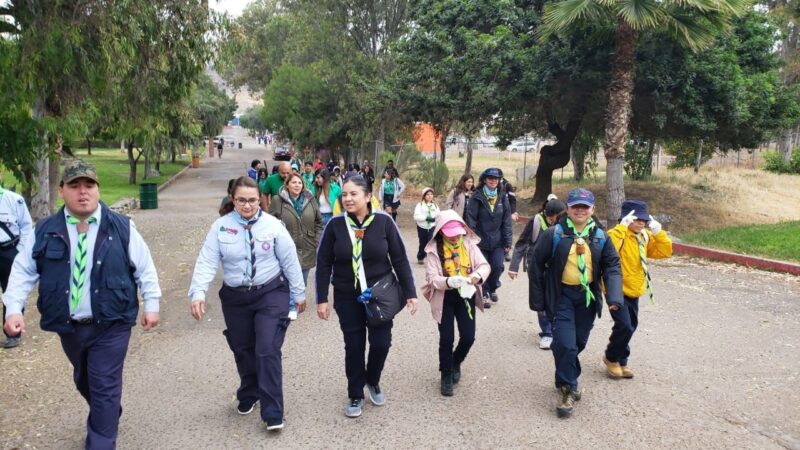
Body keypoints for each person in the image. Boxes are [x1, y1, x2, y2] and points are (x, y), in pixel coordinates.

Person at [3, 160, 162, 448]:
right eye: (74, 186)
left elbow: (145, 269)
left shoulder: (122, 227)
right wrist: (13, 309)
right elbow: (23, 270)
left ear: (98, 190)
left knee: (103, 383)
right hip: (70, 327)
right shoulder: (46, 230)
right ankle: (109, 412)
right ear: (62, 190)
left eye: (89, 185)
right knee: (85, 380)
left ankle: (101, 438)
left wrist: (152, 304)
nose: (83, 192)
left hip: (112, 323)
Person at [188, 176, 305, 432]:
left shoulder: (273, 226)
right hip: (235, 297)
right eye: (241, 200)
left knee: (266, 349)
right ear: (233, 199)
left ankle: (273, 411)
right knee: (242, 348)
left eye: (253, 200)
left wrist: (298, 293)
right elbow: (207, 261)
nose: (248, 205)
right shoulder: (220, 227)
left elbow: (290, 260)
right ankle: (249, 391)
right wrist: (198, 293)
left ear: (260, 200)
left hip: (270, 293)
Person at [315, 175, 418, 418]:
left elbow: (400, 259)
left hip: (379, 295)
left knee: (381, 343)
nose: (348, 199)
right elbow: (323, 264)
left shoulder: (383, 222)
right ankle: (355, 393)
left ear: (368, 196)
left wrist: (410, 293)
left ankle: (372, 379)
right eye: (345, 195)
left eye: (354, 194)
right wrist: (322, 298)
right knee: (354, 345)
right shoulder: (335, 225)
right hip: (346, 295)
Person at [529, 188, 623, 418]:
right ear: (568, 209)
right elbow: (536, 265)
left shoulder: (601, 236)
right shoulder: (554, 234)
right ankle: (568, 389)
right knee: (565, 344)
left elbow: (612, 266)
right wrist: (538, 301)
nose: (580, 210)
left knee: (577, 342)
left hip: (587, 298)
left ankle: (564, 373)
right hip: (561, 297)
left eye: (585, 206)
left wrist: (614, 297)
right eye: (576, 206)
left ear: (593, 209)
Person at [421, 210, 490, 396]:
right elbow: (432, 278)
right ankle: (446, 373)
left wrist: (476, 276)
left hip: (466, 295)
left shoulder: (469, 245)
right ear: (440, 232)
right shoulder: (433, 251)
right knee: (446, 339)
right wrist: (448, 281)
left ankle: (456, 361)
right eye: (450, 234)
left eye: (457, 233)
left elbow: (484, 266)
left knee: (468, 337)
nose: (454, 238)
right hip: (444, 298)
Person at [603, 200, 672, 379]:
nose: (641, 223)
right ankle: (611, 358)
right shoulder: (618, 234)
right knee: (624, 325)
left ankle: (622, 360)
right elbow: (608, 246)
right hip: (616, 289)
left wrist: (659, 233)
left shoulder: (643, 236)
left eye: (644, 219)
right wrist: (621, 227)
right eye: (637, 219)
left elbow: (664, 252)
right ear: (626, 218)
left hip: (635, 288)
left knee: (631, 326)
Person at [508, 195, 566, 349]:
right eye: (553, 217)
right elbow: (521, 244)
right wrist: (514, 267)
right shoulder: (536, 221)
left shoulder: (568, 226)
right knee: (540, 299)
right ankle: (547, 333)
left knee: (558, 299)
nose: (555, 220)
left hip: (557, 268)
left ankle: (556, 330)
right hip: (536, 266)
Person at [269, 173, 323, 320]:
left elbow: (319, 221)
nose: (297, 185)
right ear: (287, 185)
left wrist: (316, 239)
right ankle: (291, 306)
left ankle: (296, 301)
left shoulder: (310, 200)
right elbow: (269, 222)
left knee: (302, 279)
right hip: (286, 246)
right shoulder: (277, 200)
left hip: (307, 245)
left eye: (300, 183)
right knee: (287, 277)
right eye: (294, 182)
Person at [464, 168, 512, 309]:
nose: (493, 181)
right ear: (484, 179)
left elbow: (507, 221)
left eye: (496, 179)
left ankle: (493, 287)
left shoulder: (503, 197)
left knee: (497, 266)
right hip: (480, 240)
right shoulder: (476, 197)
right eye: (490, 178)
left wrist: (508, 241)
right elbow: (471, 218)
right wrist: (471, 239)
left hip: (498, 241)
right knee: (482, 268)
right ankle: (484, 293)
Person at [0, 176, 32, 349]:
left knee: (11, 290)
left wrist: (19, 252)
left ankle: (13, 333)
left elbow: (26, 227)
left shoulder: (14, 200)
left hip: (8, 251)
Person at [413, 187, 440, 264]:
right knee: (423, 243)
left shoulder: (435, 205)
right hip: (422, 227)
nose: (430, 196)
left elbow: (438, 215)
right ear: (424, 196)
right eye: (427, 194)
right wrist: (426, 218)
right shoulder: (420, 205)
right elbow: (416, 216)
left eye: (431, 194)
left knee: (431, 242)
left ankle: (430, 259)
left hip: (432, 227)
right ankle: (421, 256)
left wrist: (436, 220)